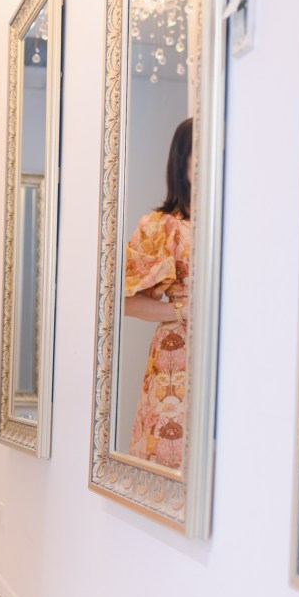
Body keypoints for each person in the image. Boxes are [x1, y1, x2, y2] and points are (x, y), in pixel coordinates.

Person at [123, 117, 192, 470]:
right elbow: (127, 302)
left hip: (239, 353)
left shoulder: (248, 224)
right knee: (169, 462)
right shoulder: (159, 227)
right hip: (177, 355)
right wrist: (183, 312)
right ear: (183, 160)